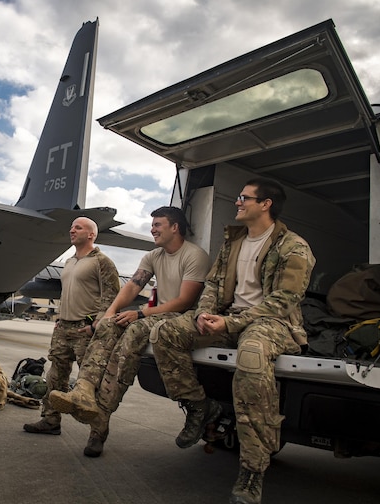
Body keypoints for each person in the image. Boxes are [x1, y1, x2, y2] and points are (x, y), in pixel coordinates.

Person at [154, 179, 315, 504]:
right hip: (229, 318)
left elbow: (285, 299)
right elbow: (212, 283)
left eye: (244, 198)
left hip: (273, 323)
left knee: (252, 356)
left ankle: (252, 472)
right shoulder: (234, 244)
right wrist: (205, 313)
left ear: (266, 204)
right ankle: (200, 408)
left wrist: (232, 321)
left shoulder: (294, 246)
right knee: (166, 332)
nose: (237, 202)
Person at [49, 206, 209, 457]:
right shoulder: (154, 256)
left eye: (158, 225)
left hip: (184, 317)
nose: (152, 229)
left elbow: (185, 302)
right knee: (111, 324)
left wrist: (142, 313)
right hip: (158, 314)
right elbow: (133, 287)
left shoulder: (194, 255)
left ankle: (99, 420)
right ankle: (84, 389)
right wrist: (109, 313)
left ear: (175, 227)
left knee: (132, 335)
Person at [23, 217, 120, 436]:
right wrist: (59, 319)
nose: (72, 230)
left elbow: (112, 298)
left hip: (85, 331)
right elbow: (67, 294)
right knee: (55, 377)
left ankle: (97, 432)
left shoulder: (102, 261)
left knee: (90, 384)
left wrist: (95, 325)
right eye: (71, 226)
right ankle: (50, 420)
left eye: (78, 227)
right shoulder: (69, 261)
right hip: (63, 328)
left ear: (91, 234)